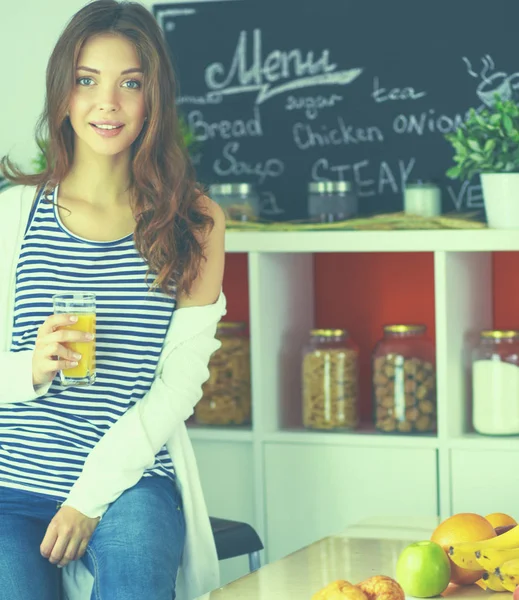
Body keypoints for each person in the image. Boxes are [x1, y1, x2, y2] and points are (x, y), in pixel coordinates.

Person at [0, 1, 226, 599]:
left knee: (138, 575)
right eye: (86, 80)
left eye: (131, 83)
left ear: (155, 96)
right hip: (11, 482)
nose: (108, 103)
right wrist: (30, 366)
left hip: (129, 482)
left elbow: (178, 387)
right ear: (63, 93)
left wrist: (87, 498)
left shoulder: (193, 221)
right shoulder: (13, 215)